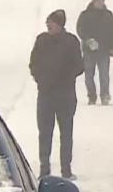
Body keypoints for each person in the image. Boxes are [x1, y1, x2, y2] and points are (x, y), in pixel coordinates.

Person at [29, 9, 84, 179]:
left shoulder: (71, 41)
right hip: (45, 94)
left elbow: (79, 66)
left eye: (51, 22)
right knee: (44, 133)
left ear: (60, 24)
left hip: (65, 94)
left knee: (66, 133)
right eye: (47, 22)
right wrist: (40, 78)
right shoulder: (41, 40)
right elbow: (33, 63)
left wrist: (65, 77)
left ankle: (66, 169)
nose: (48, 25)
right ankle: (44, 169)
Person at [76, 0, 113, 105]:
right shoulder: (85, 15)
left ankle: (105, 95)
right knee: (88, 75)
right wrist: (88, 40)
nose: (100, 3)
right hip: (89, 50)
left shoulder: (108, 15)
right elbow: (80, 29)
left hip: (104, 50)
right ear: (93, 1)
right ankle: (91, 96)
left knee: (104, 75)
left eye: (101, 1)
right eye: (97, 1)